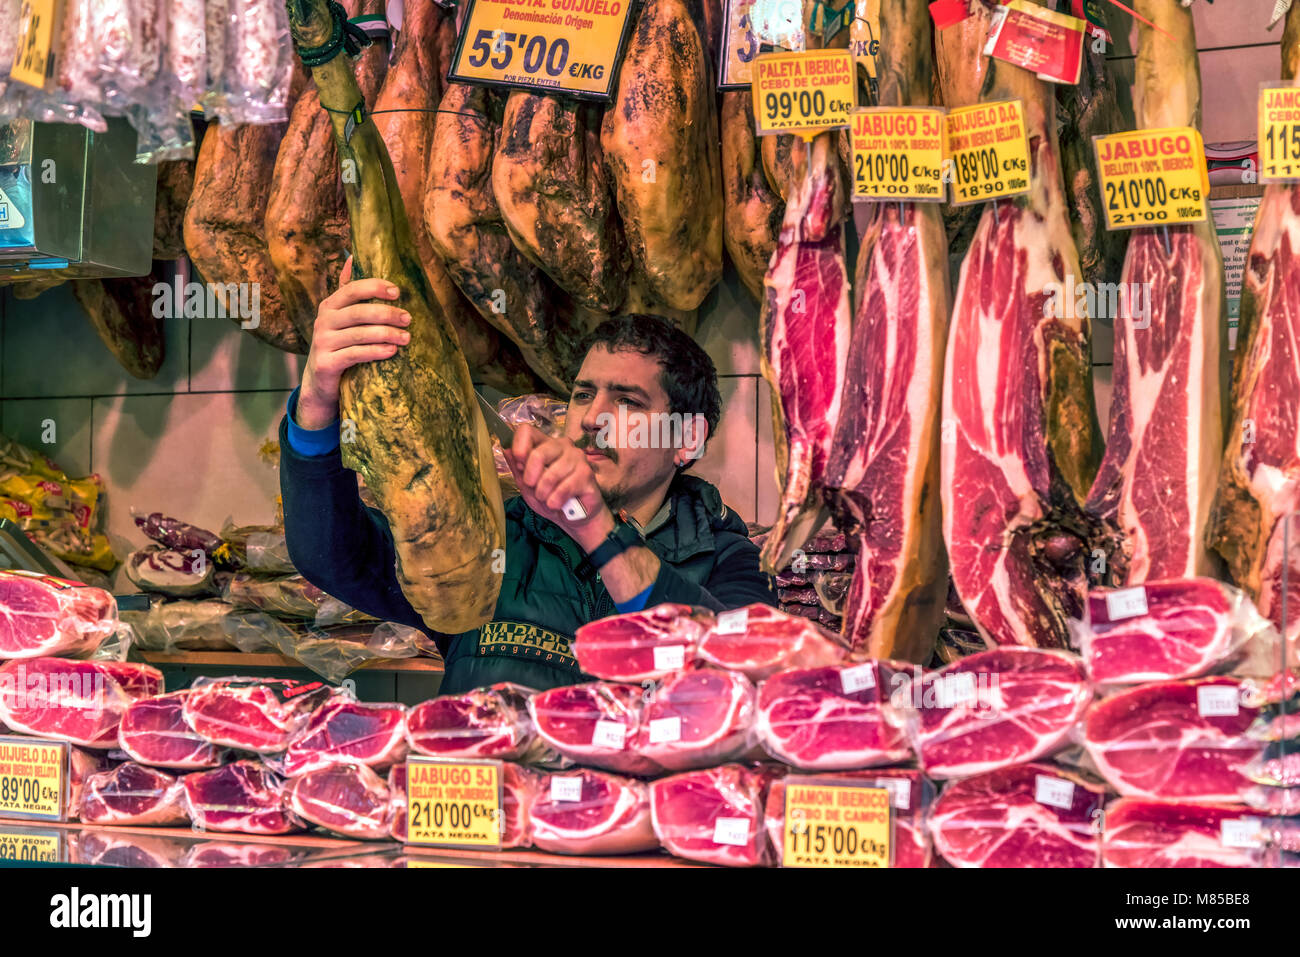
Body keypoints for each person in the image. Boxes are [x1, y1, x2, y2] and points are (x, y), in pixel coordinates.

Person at [279, 259, 778, 694]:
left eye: (627, 402)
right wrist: (317, 399)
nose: (591, 419)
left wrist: (592, 524)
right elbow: (331, 555)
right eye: (583, 395)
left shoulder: (729, 559)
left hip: (638, 805)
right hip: (491, 801)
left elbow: (737, 672)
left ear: (687, 439)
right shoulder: (496, 536)